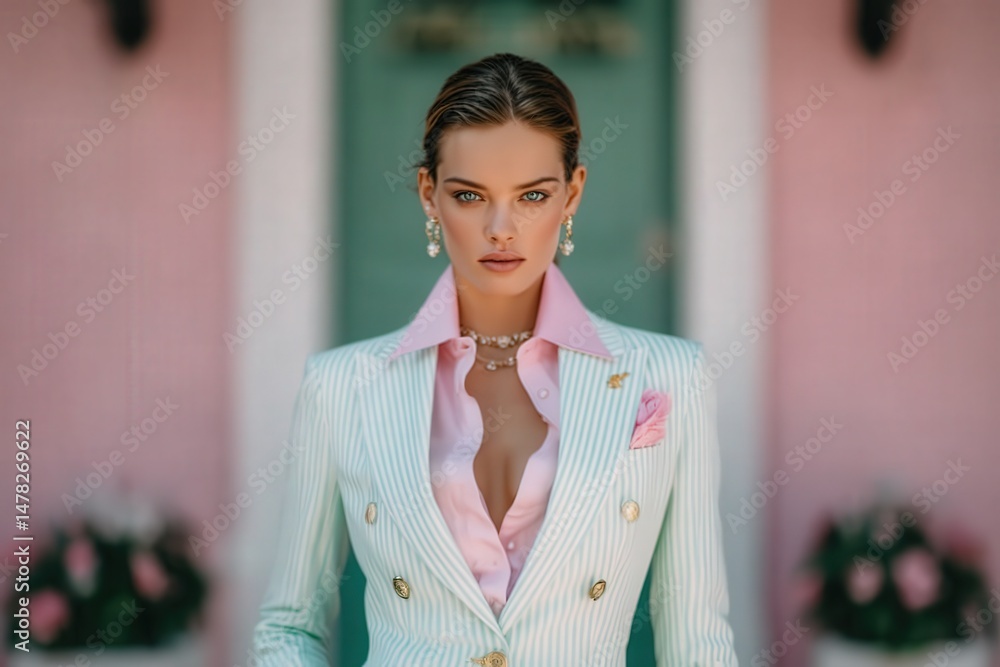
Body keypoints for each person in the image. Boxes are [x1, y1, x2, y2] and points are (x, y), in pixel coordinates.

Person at [250, 52, 738, 667]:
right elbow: (289, 627)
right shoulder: (340, 388)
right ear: (429, 195)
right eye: (470, 195)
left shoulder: (672, 378)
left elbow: (698, 642)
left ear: (573, 195)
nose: (501, 228)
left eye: (532, 195)